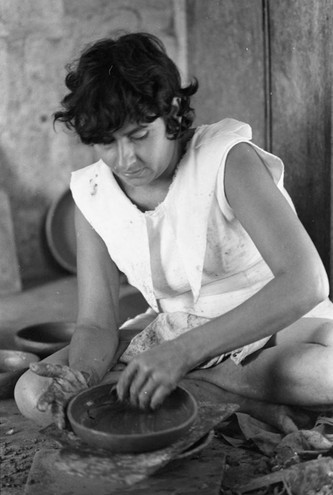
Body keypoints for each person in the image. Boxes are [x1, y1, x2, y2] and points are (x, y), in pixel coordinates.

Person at [14, 32, 333, 432]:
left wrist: (182, 356)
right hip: (171, 330)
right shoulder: (91, 193)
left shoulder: (226, 160)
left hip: (266, 326)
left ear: (173, 111)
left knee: (329, 371)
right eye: (106, 143)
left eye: (139, 135)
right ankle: (238, 402)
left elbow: (307, 283)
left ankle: (208, 390)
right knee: (33, 392)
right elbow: (97, 323)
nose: (125, 159)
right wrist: (84, 381)